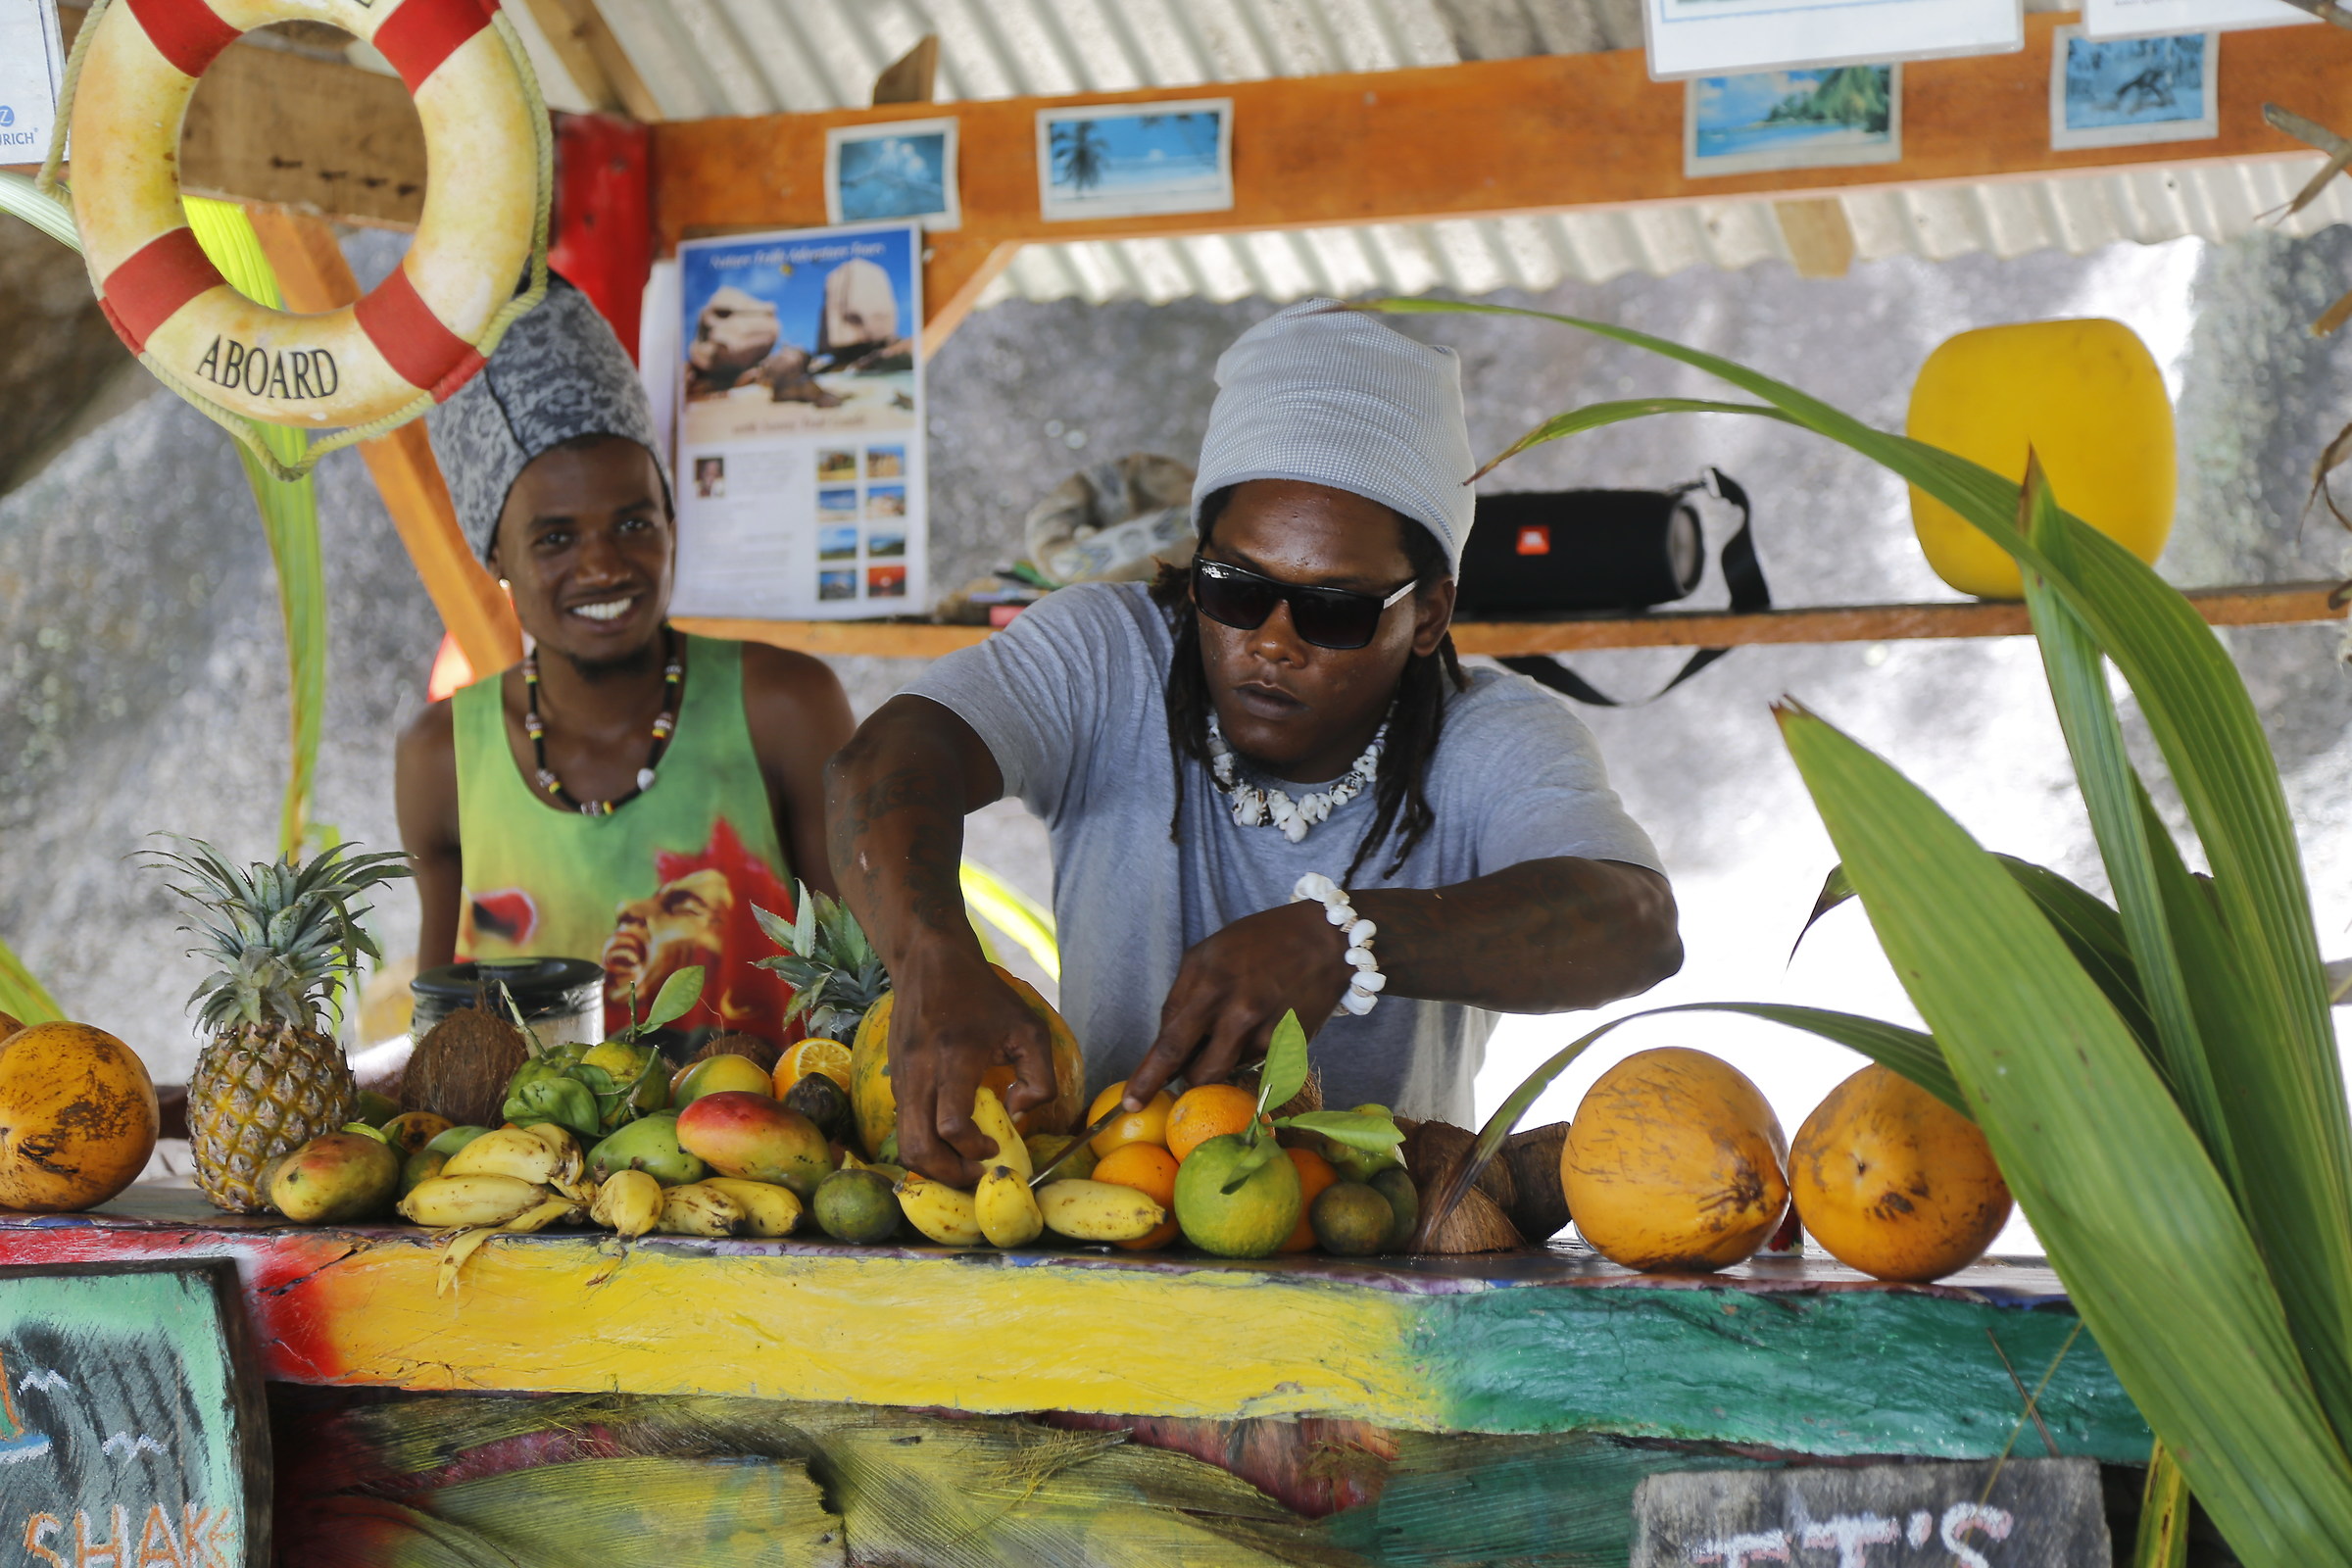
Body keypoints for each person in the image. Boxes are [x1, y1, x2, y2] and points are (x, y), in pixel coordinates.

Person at [828, 299, 1682, 1184]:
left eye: (1334, 609)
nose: (1273, 640)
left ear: (1428, 614)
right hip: (1103, 1234)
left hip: (1391, 1271)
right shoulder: (1107, 654)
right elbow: (888, 759)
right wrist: (931, 952)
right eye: (1235, 588)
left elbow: (1638, 926)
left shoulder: (1490, 734)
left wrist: (1344, 940)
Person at [396, 278, 855, 1050]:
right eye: (554, 539)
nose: (604, 566)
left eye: (634, 521)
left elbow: (862, 986)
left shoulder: (784, 708)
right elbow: (440, 1043)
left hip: (776, 1154)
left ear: (673, 521)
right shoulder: (442, 760)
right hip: (529, 1165)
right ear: (495, 554)